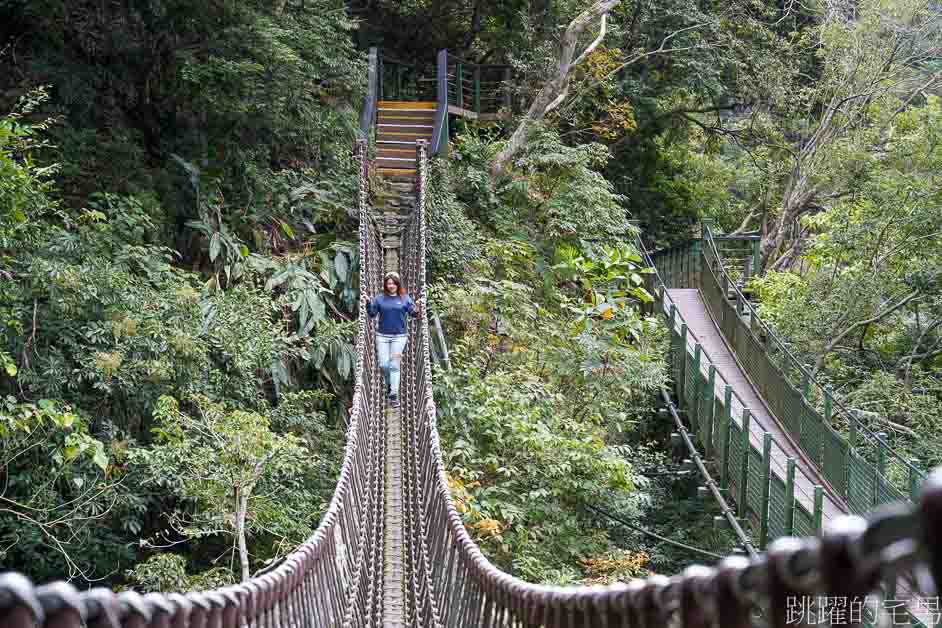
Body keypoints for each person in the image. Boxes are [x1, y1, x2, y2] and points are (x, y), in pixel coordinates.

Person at [366, 271, 422, 408]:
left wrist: (418, 306)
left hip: (399, 338)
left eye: (393, 283)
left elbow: (413, 314)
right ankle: (390, 384)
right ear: (385, 284)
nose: (391, 285)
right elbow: (372, 314)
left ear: (397, 284)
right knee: (384, 365)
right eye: (388, 283)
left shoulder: (404, 298)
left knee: (394, 365)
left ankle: (394, 395)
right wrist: (368, 303)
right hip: (382, 337)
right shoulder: (379, 299)